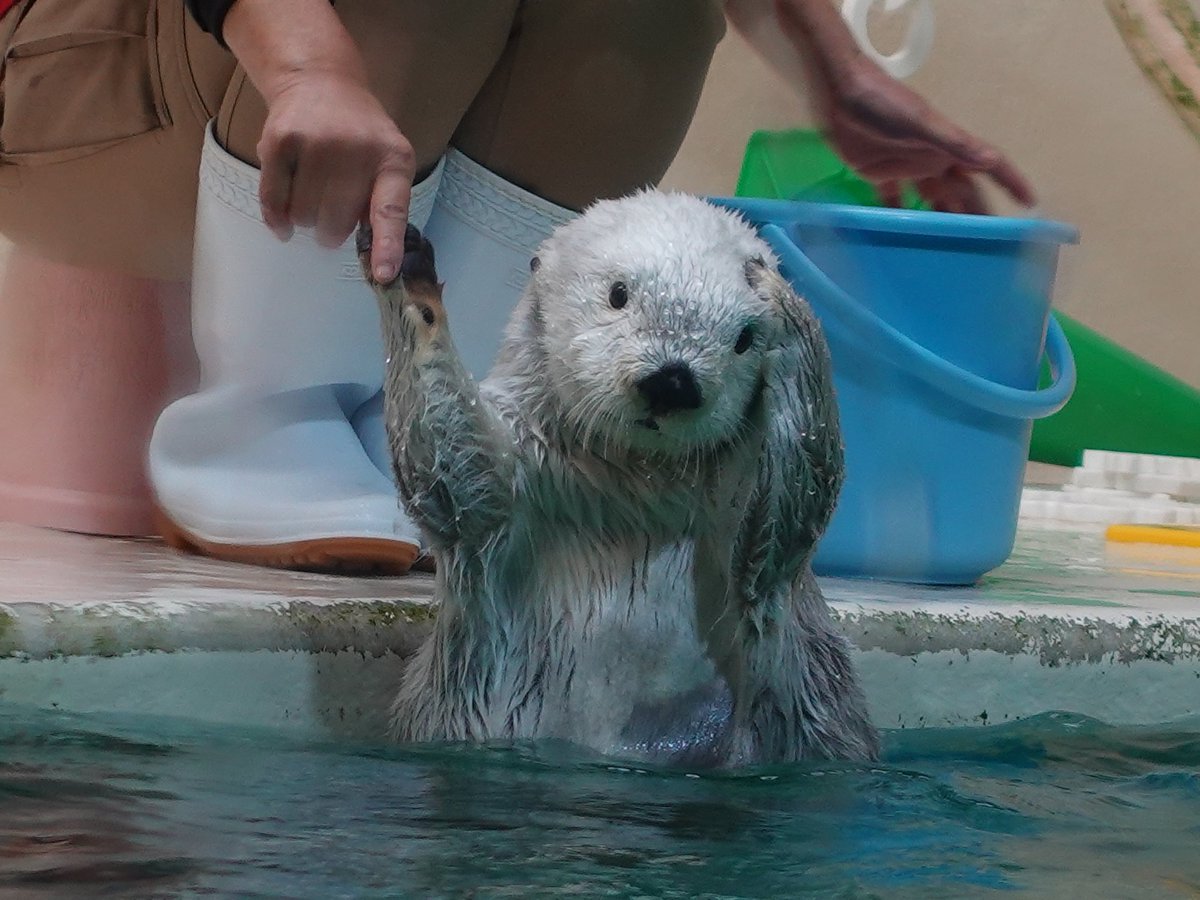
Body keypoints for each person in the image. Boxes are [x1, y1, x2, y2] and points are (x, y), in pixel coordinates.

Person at [0, 0, 1034, 575]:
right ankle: (264, 421)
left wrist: (832, 70)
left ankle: (415, 432)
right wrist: (313, 65)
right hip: (76, 86)